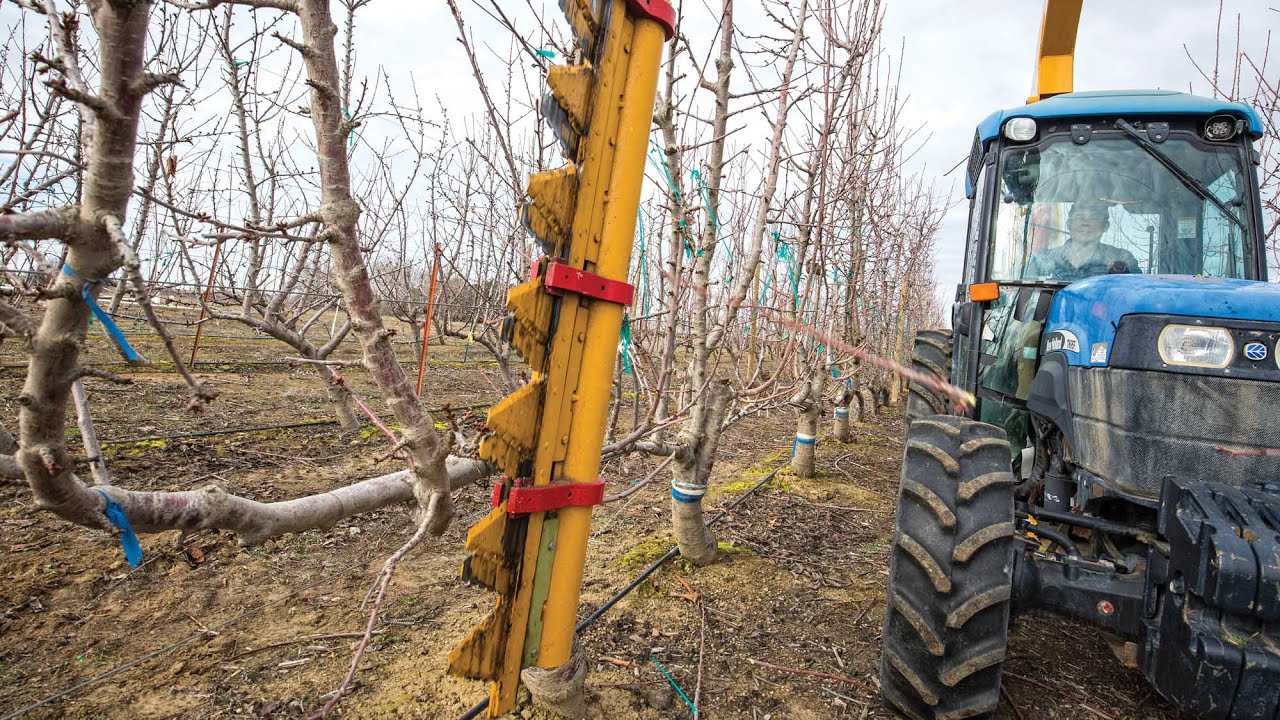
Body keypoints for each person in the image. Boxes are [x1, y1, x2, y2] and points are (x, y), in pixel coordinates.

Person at [1025, 201, 1141, 282]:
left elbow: (1134, 295)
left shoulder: (1122, 260)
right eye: (1079, 217)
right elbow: (1024, 305)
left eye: (1094, 218)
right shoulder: (1042, 261)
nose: (1086, 223)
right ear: (1069, 224)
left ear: (1105, 226)